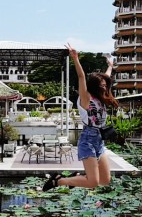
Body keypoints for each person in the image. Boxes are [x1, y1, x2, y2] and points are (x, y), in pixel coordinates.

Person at [42, 44, 118, 191]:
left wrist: (110, 66)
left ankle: (77, 176)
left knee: (105, 180)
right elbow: (82, 77)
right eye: (102, 85)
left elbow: (106, 77)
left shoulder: (100, 98)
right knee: (93, 183)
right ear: (95, 86)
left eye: (105, 85)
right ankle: (59, 181)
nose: (104, 87)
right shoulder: (86, 98)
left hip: (99, 140)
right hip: (88, 140)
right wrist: (75, 58)